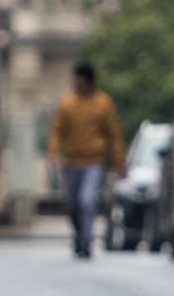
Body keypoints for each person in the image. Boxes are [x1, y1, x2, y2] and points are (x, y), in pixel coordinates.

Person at [48, 61, 126, 259]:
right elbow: (57, 131)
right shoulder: (67, 104)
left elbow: (113, 135)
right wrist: (53, 154)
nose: (75, 82)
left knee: (88, 201)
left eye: (78, 78)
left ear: (86, 80)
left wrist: (119, 163)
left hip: (93, 162)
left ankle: (86, 240)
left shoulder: (103, 103)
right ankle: (79, 233)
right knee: (73, 205)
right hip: (72, 162)